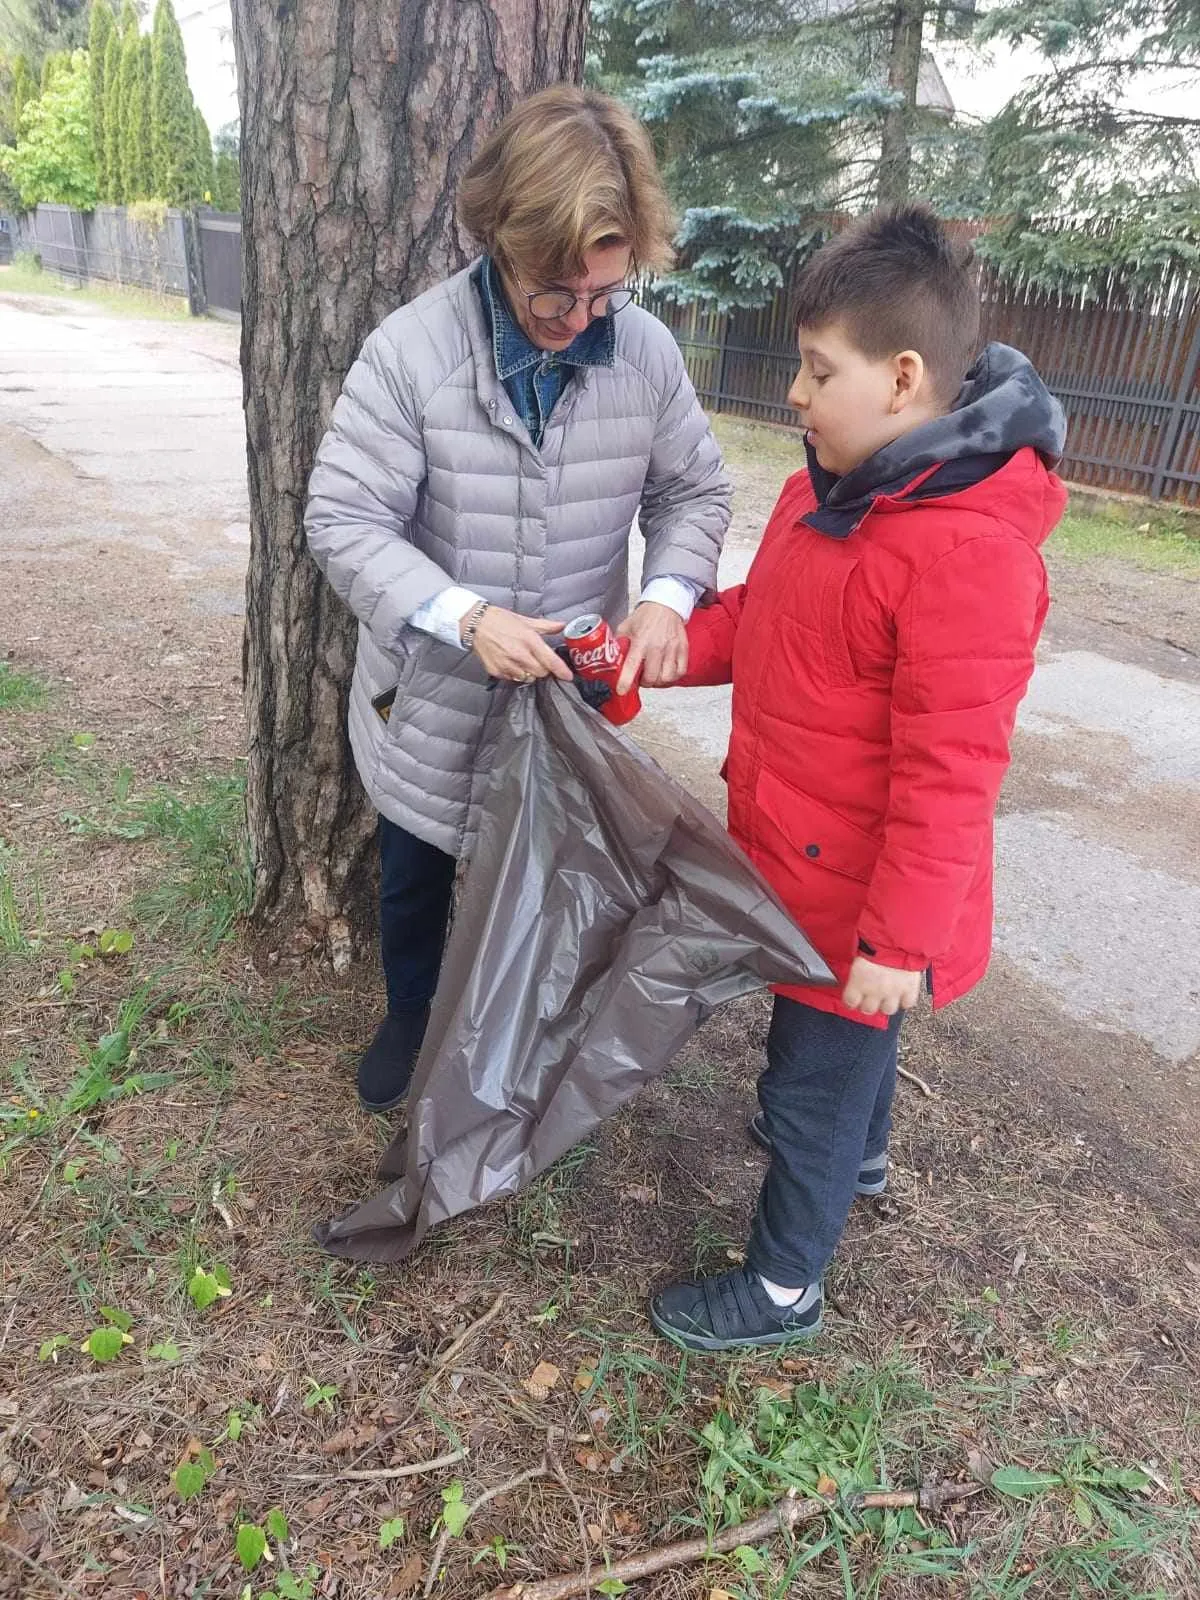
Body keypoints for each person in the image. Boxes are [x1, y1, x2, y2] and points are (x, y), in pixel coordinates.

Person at [649, 204, 1068, 1351]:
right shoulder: (824, 493)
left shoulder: (967, 554)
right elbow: (759, 623)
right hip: (800, 864)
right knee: (846, 1069)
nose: (794, 390)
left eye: (816, 369)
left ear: (900, 379)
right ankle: (863, 1158)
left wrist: (898, 944)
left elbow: (952, 777)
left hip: (860, 908)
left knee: (809, 1087)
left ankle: (783, 1287)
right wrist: (659, 648)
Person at [305, 87, 731, 1113]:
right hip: (436, 688)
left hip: (567, 698)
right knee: (414, 864)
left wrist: (669, 593)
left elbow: (695, 488)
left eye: (603, 294)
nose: (579, 320)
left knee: (549, 868)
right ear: (498, 234)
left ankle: (526, 1023)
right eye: (556, 294)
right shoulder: (410, 355)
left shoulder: (647, 356)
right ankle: (412, 1014)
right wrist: (465, 617)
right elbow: (343, 518)